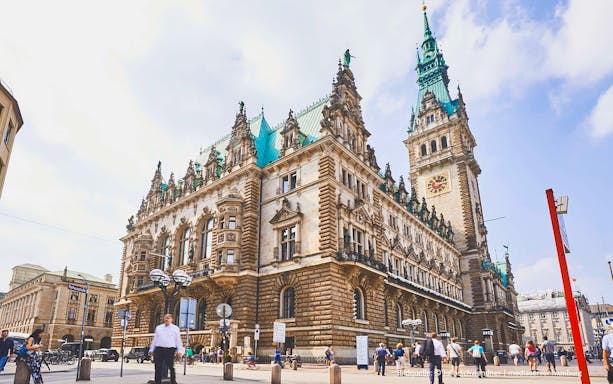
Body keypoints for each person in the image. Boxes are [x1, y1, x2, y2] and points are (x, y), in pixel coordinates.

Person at [149, 314, 184, 384]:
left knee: (171, 366)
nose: (166, 319)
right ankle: (157, 382)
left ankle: (173, 382)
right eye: (165, 318)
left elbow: (178, 340)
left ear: (171, 319)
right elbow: (155, 339)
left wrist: (180, 350)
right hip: (159, 349)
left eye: (168, 318)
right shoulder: (159, 328)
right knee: (158, 367)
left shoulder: (175, 328)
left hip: (170, 349)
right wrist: (151, 349)